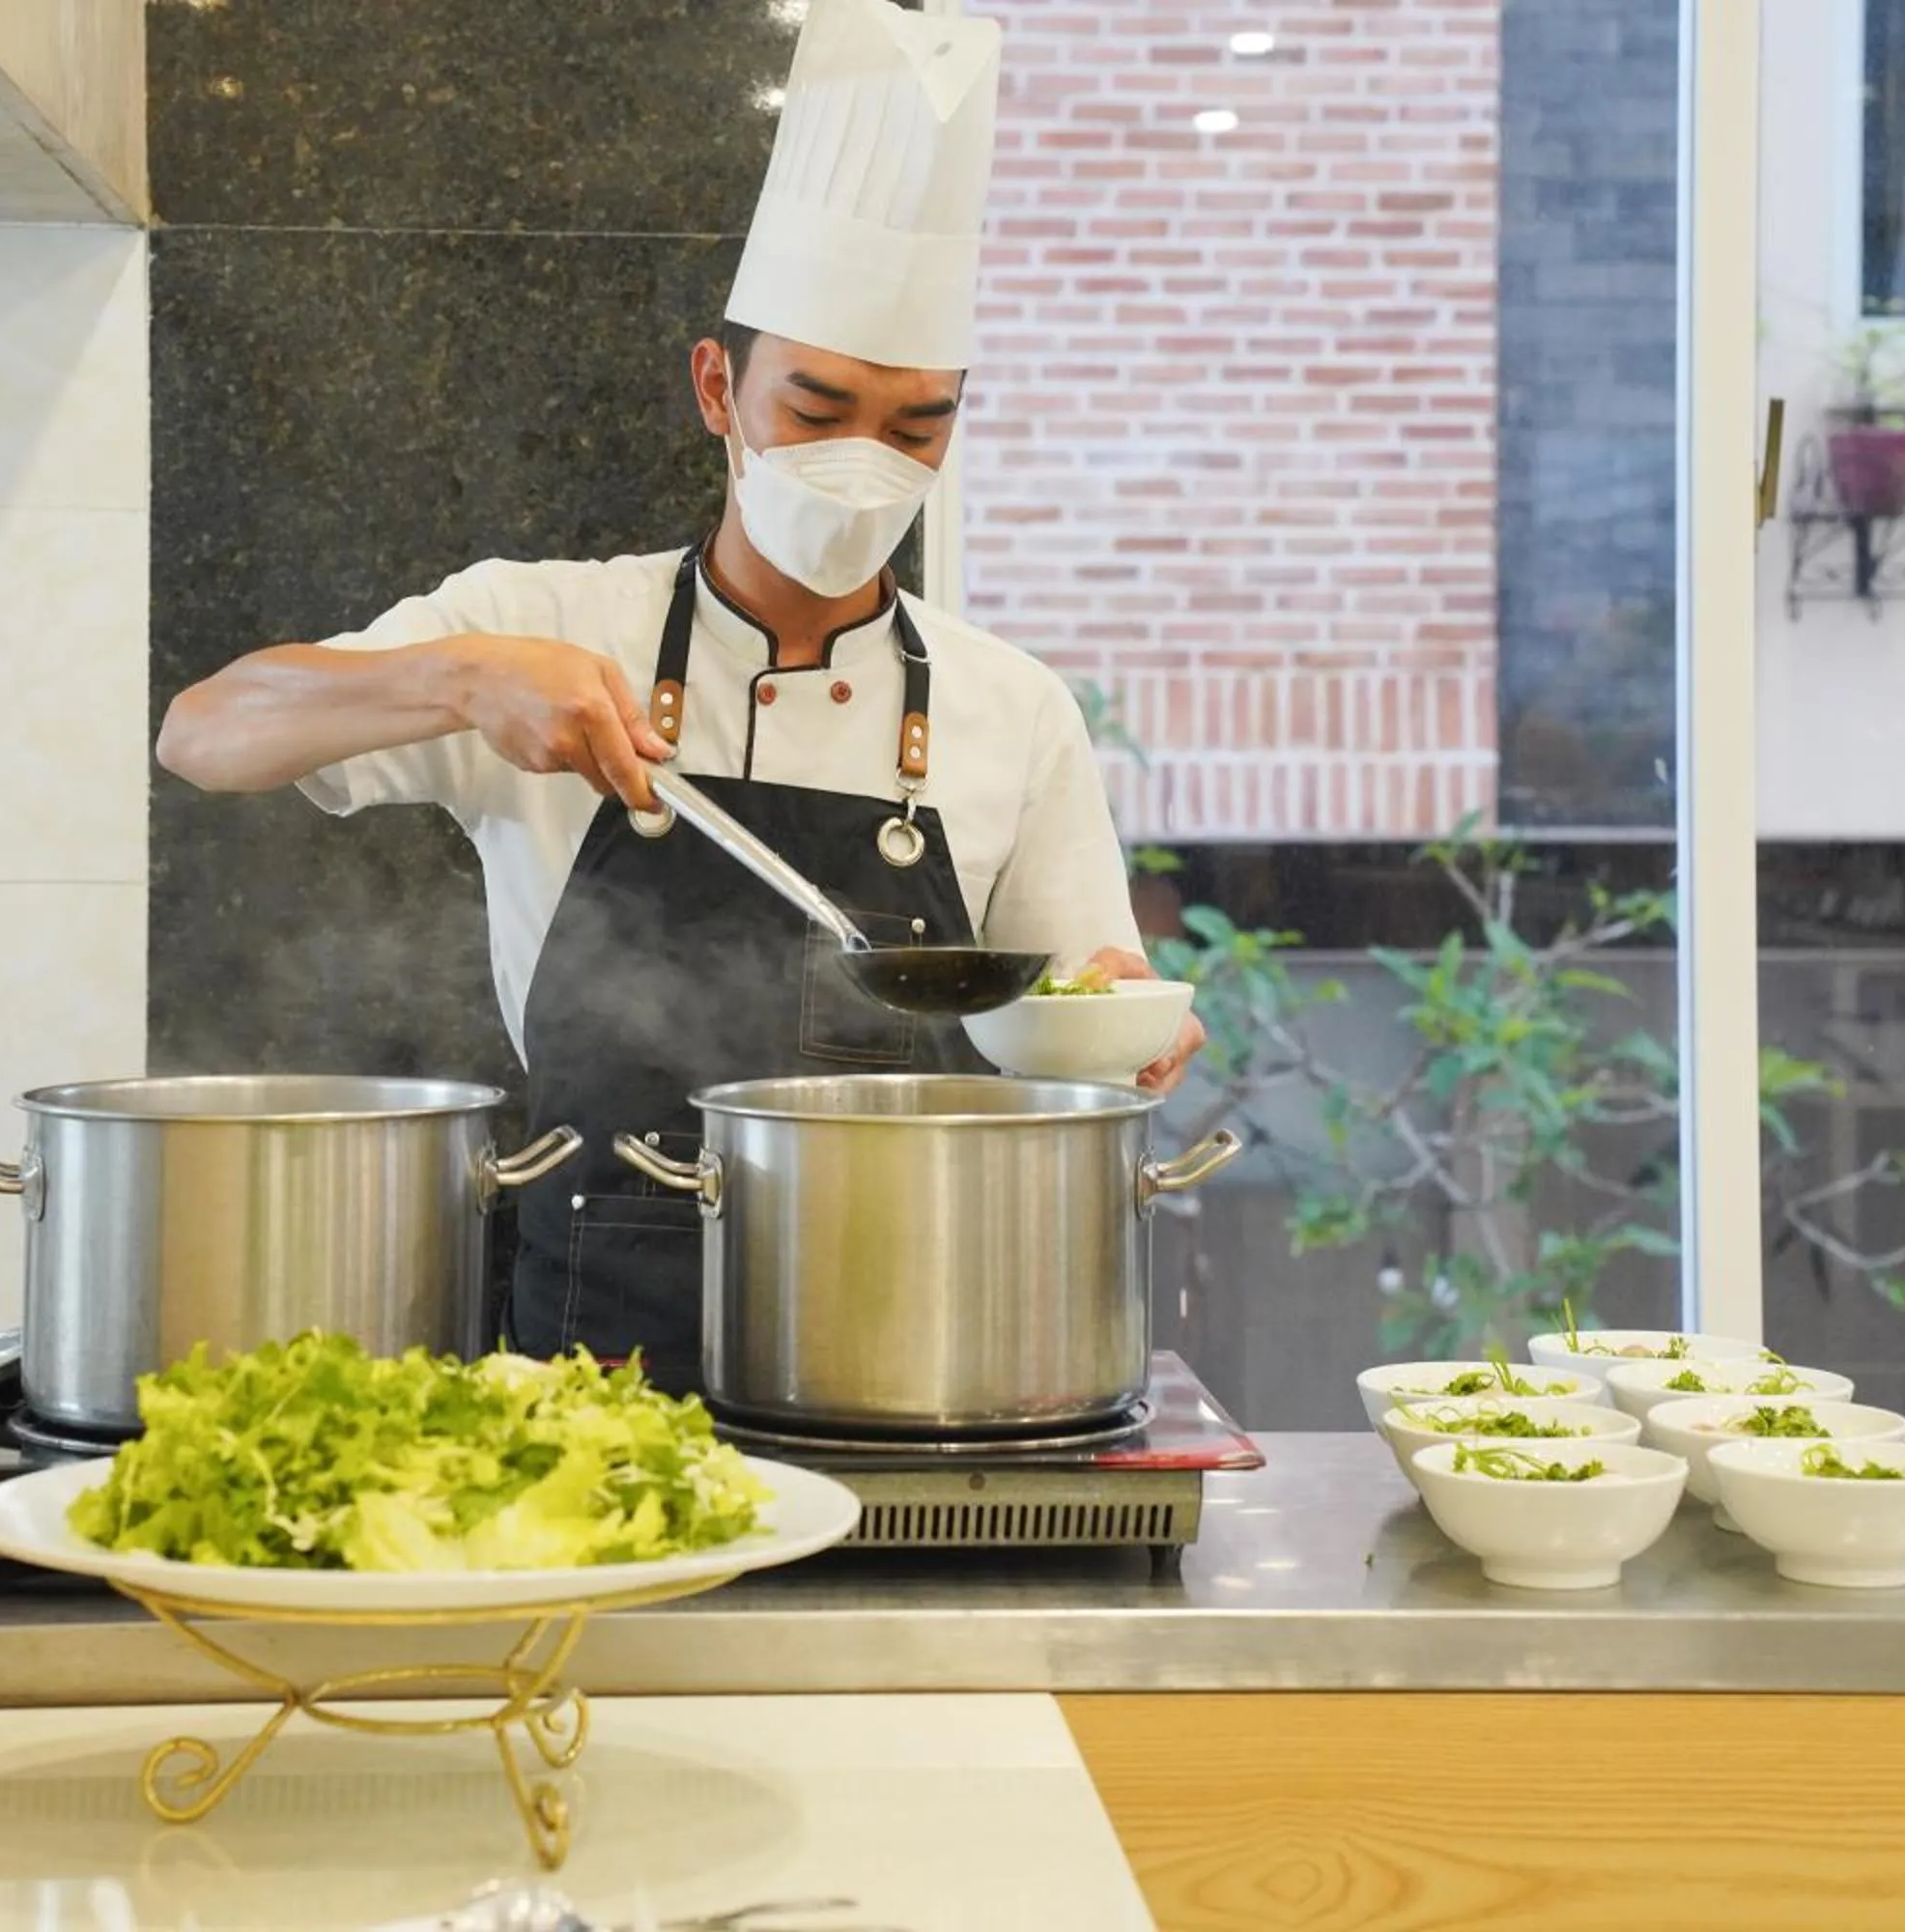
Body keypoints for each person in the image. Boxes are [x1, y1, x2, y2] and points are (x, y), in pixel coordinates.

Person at [155, 0, 1200, 1392]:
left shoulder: (1013, 709)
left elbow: (1071, 1015)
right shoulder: (541, 620)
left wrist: (1122, 1022)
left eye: (916, 425)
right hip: (592, 1346)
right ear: (719, 389)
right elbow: (205, 733)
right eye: (816, 411)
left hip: (914, 1336)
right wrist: (461, 680)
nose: (865, 463)